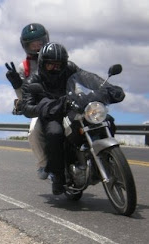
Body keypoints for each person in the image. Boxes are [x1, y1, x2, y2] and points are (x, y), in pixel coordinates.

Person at [21, 42, 125, 195]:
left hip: (73, 106)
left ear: (64, 63)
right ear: (43, 64)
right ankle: (58, 175)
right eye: (50, 65)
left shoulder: (69, 68)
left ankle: (107, 157)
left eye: (59, 65)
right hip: (52, 113)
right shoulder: (33, 81)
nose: (55, 68)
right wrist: (44, 107)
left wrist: (109, 88)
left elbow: (88, 78)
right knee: (55, 133)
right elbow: (26, 108)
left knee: (106, 119)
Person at [5, 23, 50, 179]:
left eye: (40, 41)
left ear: (46, 40)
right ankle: (43, 164)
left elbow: (71, 78)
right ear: (26, 45)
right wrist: (17, 84)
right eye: (33, 43)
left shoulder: (57, 56)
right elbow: (23, 98)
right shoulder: (23, 67)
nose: (37, 45)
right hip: (39, 107)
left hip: (61, 101)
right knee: (33, 132)